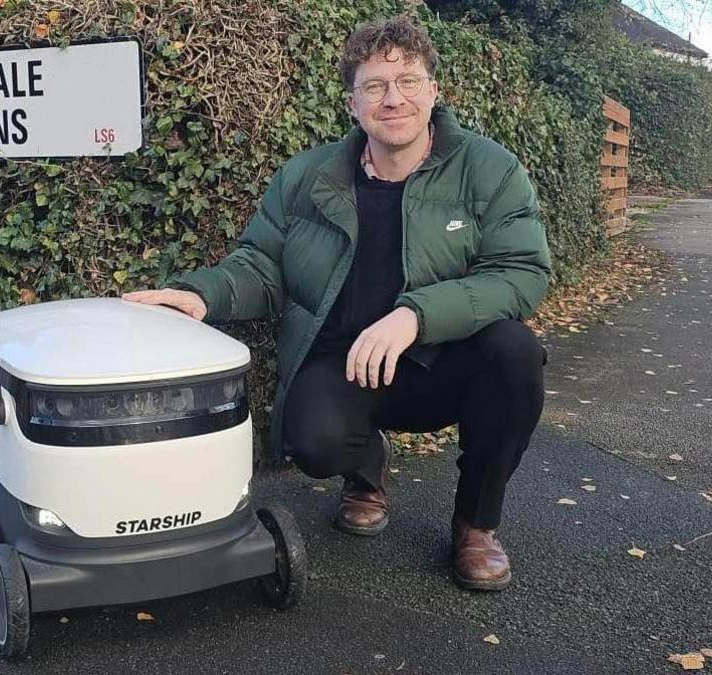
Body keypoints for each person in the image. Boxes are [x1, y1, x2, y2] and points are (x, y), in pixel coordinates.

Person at [123, 15, 551, 591]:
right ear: (352, 102)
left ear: (433, 91)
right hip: (346, 362)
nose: (392, 98)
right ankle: (363, 473)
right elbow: (261, 265)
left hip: (444, 362)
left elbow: (520, 273)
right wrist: (201, 295)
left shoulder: (488, 168)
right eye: (374, 86)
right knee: (313, 440)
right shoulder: (307, 177)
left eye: (408, 81)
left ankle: (476, 524)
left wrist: (416, 315)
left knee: (516, 353)